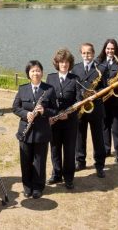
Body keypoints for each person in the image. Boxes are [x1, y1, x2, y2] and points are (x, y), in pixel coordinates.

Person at [13, 60, 58, 199]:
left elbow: (55, 110)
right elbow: (15, 108)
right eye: (33, 71)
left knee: (39, 160)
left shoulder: (49, 89)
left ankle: (38, 186)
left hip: (41, 131)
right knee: (25, 160)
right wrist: (26, 114)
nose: (36, 73)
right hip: (25, 131)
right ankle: (27, 186)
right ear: (28, 74)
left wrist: (44, 111)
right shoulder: (22, 89)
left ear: (42, 72)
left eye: (38, 70)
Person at [71, 43, 106, 178]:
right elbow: (73, 87)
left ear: (93, 53)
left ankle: (99, 165)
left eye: (89, 53)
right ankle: (80, 161)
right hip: (81, 107)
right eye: (84, 53)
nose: (87, 55)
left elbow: (105, 87)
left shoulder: (101, 68)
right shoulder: (75, 69)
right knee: (80, 136)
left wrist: (94, 93)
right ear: (81, 54)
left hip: (96, 107)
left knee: (98, 138)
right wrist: (80, 96)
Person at [45, 49, 78, 189]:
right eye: (61, 62)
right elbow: (46, 100)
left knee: (69, 150)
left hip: (70, 122)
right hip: (54, 121)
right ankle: (56, 174)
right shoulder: (50, 78)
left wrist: (68, 114)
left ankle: (69, 177)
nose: (63, 64)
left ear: (70, 64)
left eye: (66, 62)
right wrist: (50, 115)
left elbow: (78, 101)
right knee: (55, 148)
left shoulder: (75, 79)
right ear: (57, 63)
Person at [97, 39, 118, 163]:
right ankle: (106, 149)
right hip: (104, 99)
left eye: (112, 49)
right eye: (108, 48)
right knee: (104, 125)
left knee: (117, 126)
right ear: (104, 49)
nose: (110, 51)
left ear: (116, 50)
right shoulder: (99, 62)